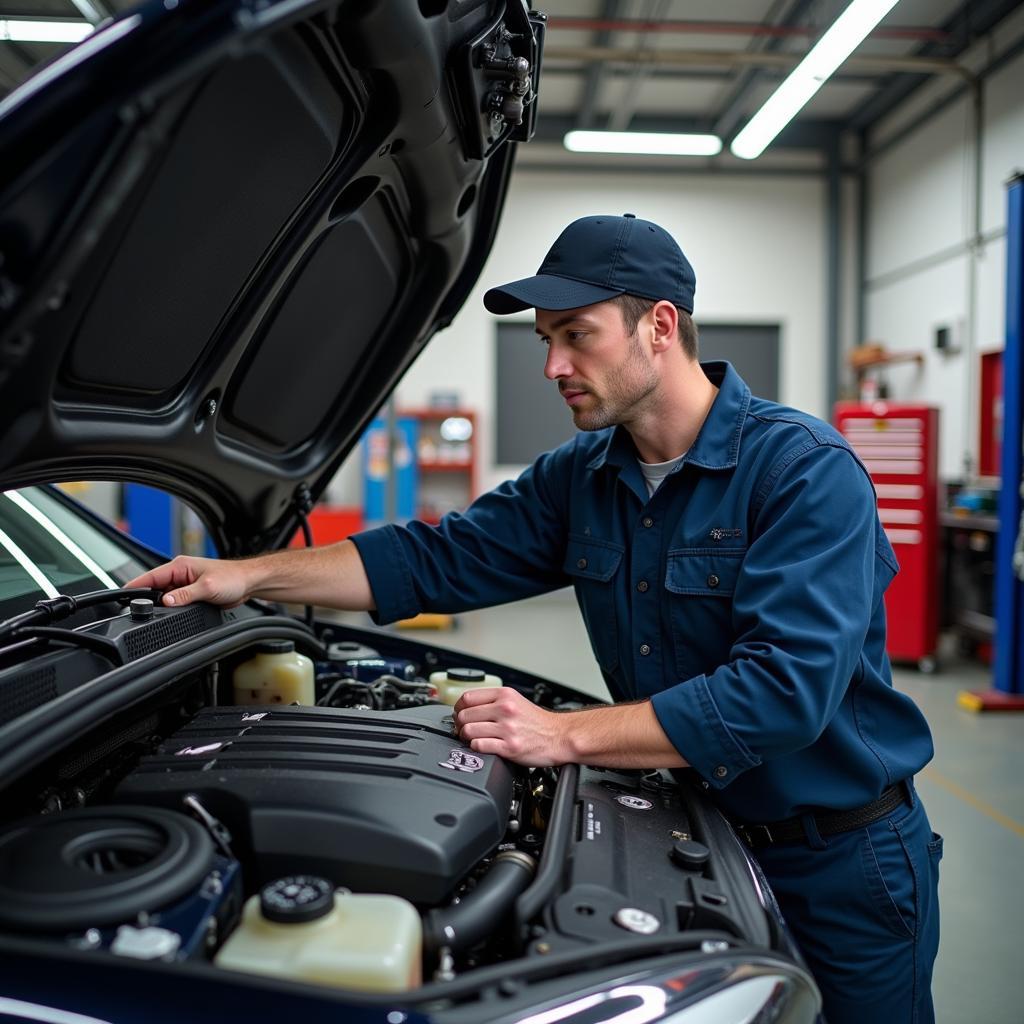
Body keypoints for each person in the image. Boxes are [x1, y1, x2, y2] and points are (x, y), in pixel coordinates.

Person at [128, 213, 941, 1024]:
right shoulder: (583, 475)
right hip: (696, 837)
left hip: (840, 864)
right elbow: (433, 558)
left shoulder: (803, 473)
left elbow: (782, 693)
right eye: (545, 339)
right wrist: (248, 575)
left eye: (577, 335)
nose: (554, 364)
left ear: (659, 326)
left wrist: (563, 734)